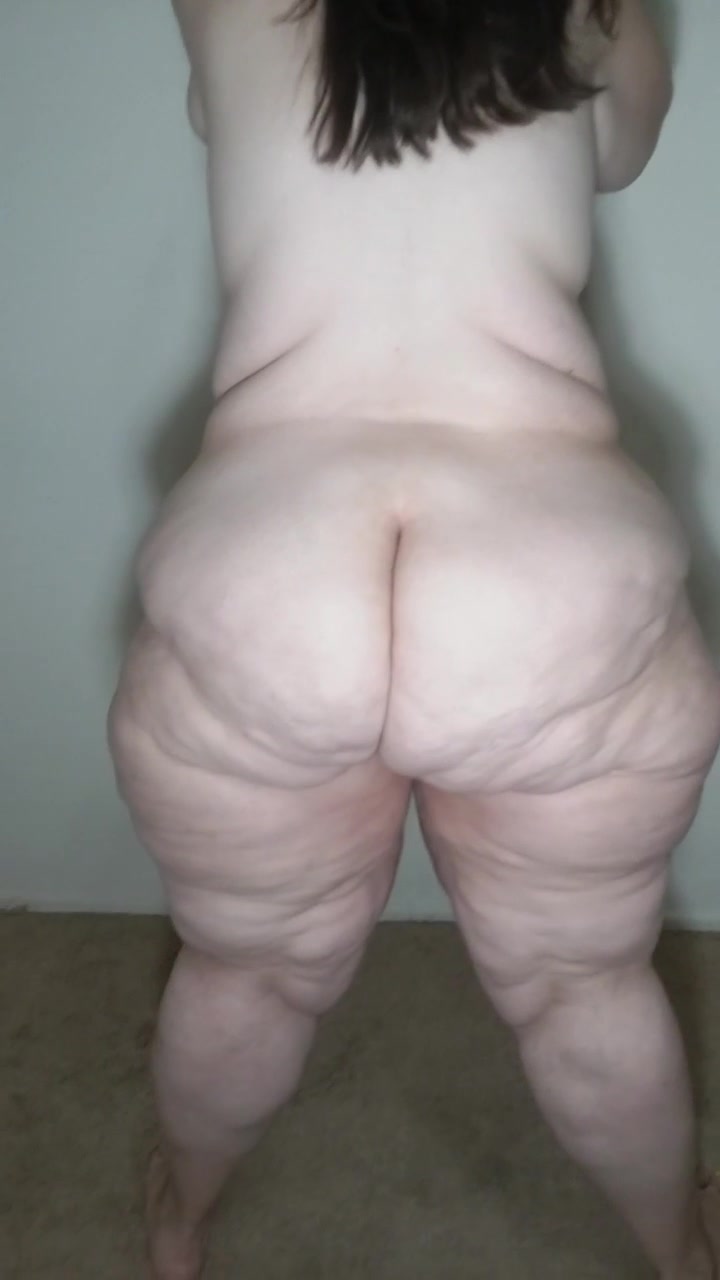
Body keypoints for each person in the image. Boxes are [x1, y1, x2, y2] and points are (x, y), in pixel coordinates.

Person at [107, 2, 720, 1276]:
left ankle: (178, 1223)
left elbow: (220, 114)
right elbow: (623, 150)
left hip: (269, 561)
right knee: (583, 980)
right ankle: (681, 1248)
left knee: (246, 968)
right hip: (542, 565)